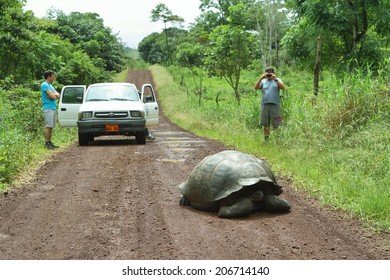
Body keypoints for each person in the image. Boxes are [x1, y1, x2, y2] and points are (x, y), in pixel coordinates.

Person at [254, 67, 285, 141]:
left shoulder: (277, 80)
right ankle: (266, 140)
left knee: (276, 123)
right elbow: (256, 87)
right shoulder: (263, 81)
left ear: (273, 73)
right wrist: (261, 78)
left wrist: (275, 79)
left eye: (270, 72)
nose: (269, 74)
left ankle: (277, 140)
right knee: (265, 124)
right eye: (267, 72)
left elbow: (283, 88)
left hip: (275, 104)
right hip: (265, 104)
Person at [40, 70, 61, 149]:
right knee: (48, 126)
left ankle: (50, 142)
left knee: (51, 126)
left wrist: (53, 95)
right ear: (48, 76)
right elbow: (53, 96)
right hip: (48, 108)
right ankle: (46, 142)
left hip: (52, 107)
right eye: (53, 76)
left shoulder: (51, 86)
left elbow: (57, 95)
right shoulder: (44, 85)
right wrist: (53, 95)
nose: (54, 78)